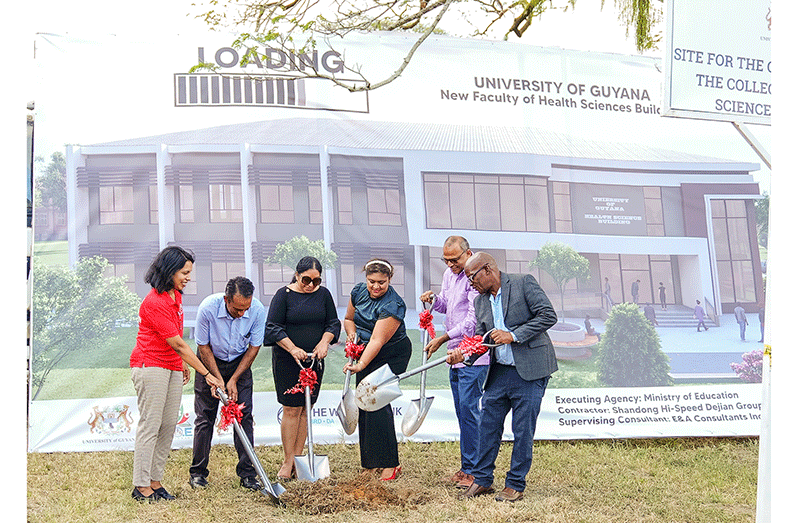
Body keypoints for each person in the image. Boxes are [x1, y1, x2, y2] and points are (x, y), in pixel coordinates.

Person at [449, 252, 558, 503]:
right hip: (499, 373)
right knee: (487, 426)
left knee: (522, 430)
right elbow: (480, 341)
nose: (470, 284)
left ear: (487, 269)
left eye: (472, 277)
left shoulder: (523, 283)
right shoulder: (480, 302)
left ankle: (515, 484)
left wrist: (513, 335)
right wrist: (463, 355)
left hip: (530, 372)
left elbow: (548, 315)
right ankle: (482, 479)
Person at [129, 246, 225, 502]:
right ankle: (140, 486)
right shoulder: (154, 302)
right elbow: (180, 345)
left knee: (168, 424)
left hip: (170, 366)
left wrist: (180, 363)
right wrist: (207, 373)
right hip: (150, 365)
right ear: (170, 270)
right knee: (151, 424)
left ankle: (154, 481)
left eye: (189, 272)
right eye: (184, 272)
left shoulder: (175, 296)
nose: (188, 277)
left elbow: (176, 338)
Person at [265, 256, 341, 481]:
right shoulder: (283, 295)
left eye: (316, 281)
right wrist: (292, 348)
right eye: (306, 280)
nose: (310, 285)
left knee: (306, 409)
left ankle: (299, 459)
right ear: (297, 275)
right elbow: (273, 327)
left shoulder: (324, 295)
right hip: (289, 360)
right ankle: (288, 461)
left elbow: (333, 323)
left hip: (314, 360)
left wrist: (324, 342)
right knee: (291, 409)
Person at [419, 236, 484, 489]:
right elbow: (447, 306)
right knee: (462, 412)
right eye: (445, 260)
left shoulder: (475, 277)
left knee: (470, 412)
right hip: (453, 355)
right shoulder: (449, 274)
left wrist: (444, 338)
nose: (450, 265)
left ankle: (477, 471)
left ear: (468, 254)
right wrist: (434, 300)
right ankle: (468, 467)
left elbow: (472, 322)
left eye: (454, 260)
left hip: (474, 356)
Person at [189, 276, 266, 491]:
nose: (242, 314)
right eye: (236, 309)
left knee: (244, 417)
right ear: (226, 299)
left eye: (245, 309)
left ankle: (248, 474)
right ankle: (197, 473)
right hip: (210, 360)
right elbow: (203, 346)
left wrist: (233, 379)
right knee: (205, 417)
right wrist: (217, 379)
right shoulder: (207, 308)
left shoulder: (258, 310)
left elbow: (254, 348)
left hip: (240, 364)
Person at [343, 258, 412, 481]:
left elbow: (377, 340)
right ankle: (370, 463)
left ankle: (391, 464)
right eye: (372, 281)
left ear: (389, 280)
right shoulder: (358, 292)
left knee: (378, 403)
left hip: (390, 352)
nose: (376, 286)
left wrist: (360, 364)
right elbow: (348, 319)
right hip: (364, 349)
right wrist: (351, 336)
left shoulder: (394, 304)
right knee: (363, 404)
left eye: (381, 282)